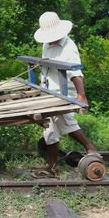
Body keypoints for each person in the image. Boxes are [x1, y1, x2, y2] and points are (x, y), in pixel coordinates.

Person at [32, 11, 99, 178]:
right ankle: (52, 167)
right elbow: (46, 67)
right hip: (48, 90)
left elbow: (75, 71)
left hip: (64, 92)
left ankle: (91, 149)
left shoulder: (69, 46)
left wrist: (81, 95)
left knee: (66, 123)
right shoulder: (46, 44)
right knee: (49, 129)